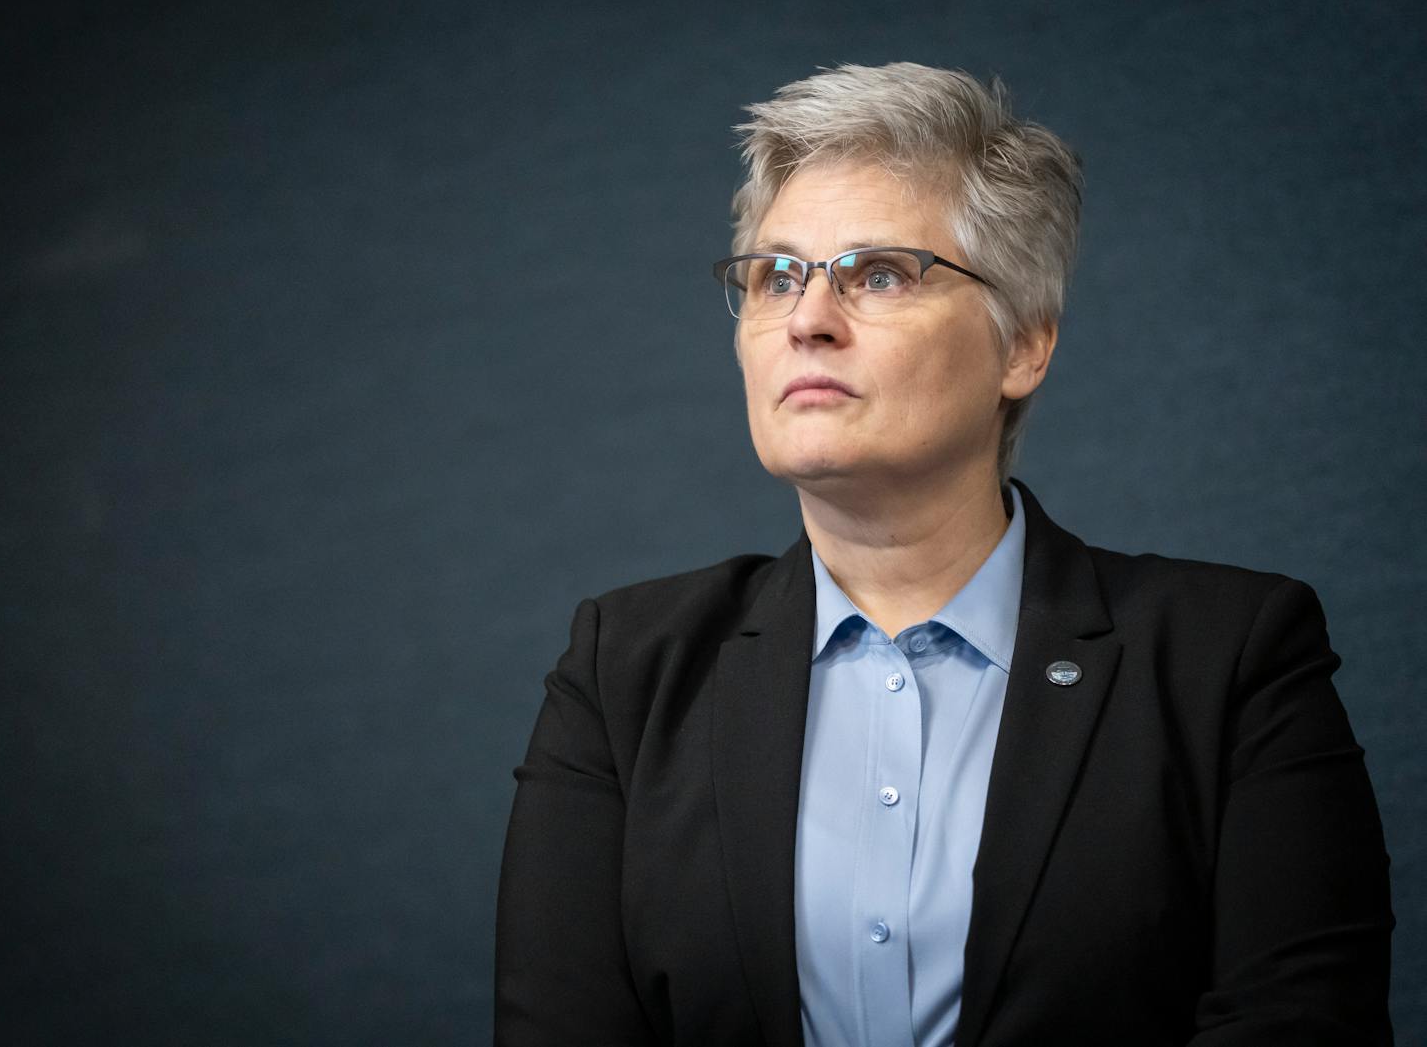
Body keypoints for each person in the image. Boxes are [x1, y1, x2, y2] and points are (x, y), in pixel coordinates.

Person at [494, 62, 1393, 1047]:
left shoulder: (1231, 658)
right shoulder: (624, 671)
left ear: (1023, 345)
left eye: (878, 273)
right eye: (776, 275)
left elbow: (1303, 1023)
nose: (807, 319)